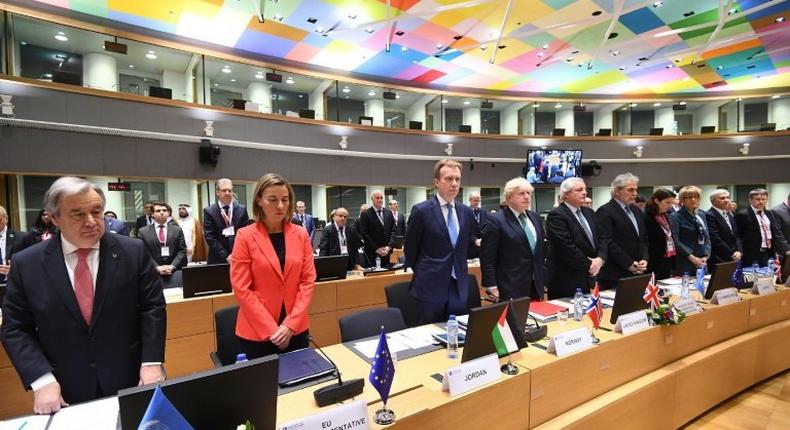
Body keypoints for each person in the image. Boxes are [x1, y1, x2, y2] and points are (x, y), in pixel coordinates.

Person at [1, 177, 166, 414]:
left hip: (132, 377)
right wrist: (41, 379)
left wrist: (152, 363)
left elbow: (152, 309)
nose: (91, 221)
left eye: (96, 211)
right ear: (54, 217)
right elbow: (15, 328)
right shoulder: (27, 264)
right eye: (78, 214)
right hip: (63, 387)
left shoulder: (133, 251)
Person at [230, 173, 315, 358]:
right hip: (257, 332)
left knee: (300, 384)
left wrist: (290, 325)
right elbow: (241, 288)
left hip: (295, 328)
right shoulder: (245, 236)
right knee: (263, 386)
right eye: (273, 199)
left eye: (285, 200)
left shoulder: (301, 234)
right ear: (259, 200)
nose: (280, 206)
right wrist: (272, 329)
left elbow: (307, 281)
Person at [404, 159, 479, 324]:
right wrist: (426, 271)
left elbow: (464, 246)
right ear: (436, 182)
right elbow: (410, 249)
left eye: (457, 179)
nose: (454, 184)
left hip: (458, 284)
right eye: (448, 179)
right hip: (429, 286)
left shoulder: (465, 212)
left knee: (457, 335)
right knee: (428, 337)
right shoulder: (421, 211)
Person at [480, 178, 545, 302]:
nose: (526, 197)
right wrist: (492, 286)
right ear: (509, 198)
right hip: (509, 285)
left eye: (528, 193)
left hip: (535, 284)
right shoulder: (496, 220)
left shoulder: (535, 218)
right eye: (521, 193)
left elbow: (539, 252)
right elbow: (487, 256)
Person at [545, 177, 607, 299]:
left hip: (589, 275)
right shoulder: (556, 215)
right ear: (566, 194)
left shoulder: (589, 213)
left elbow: (603, 237)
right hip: (566, 278)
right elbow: (566, 246)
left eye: (585, 189)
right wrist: (590, 265)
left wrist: (601, 259)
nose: (584, 192)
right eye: (579, 190)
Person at [595, 173, 648, 291]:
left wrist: (644, 258)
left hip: (638, 270)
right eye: (630, 190)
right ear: (617, 191)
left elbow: (643, 238)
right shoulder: (605, 211)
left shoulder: (636, 210)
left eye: (636, 190)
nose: (635, 194)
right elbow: (607, 241)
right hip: (615, 273)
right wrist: (629, 263)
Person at [735, 189, 790, 267]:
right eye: (757, 199)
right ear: (750, 200)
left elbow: (776, 232)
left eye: (763, 199)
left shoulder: (769, 213)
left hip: (767, 252)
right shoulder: (742, 214)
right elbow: (737, 235)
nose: (761, 202)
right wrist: (739, 250)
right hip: (751, 254)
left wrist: (785, 249)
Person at [138, 201, 187, 288]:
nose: (161, 212)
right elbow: (143, 252)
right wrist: (157, 267)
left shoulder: (177, 230)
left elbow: (182, 250)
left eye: (164, 210)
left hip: (175, 272)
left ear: (168, 213)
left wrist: (172, 266)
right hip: (153, 273)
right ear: (152, 214)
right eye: (158, 211)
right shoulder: (143, 232)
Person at [204, 178, 250, 264]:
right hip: (217, 259)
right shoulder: (209, 211)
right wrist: (226, 256)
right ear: (218, 192)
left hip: (239, 257)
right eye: (224, 190)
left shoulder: (242, 209)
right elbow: (210, 237)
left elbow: (245, 234)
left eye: (230, 190)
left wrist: (236, 253)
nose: (227, 193)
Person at [671, 186, 711, 276]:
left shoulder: (701, 214)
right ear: (682, 200)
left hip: (702, 260)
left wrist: (706, 256)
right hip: (686, 260)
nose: (693, 199)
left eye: (696, 196)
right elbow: (676, 241)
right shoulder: (675, 216)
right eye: (689, 197)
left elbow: (707, 237)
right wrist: (692, 258)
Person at [358, 191, 396, 268]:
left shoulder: (388, 212)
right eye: (377, 198)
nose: (380, 200)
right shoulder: (366, 214)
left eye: (381, 198)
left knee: (387, 276)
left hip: (387, 251)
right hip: (372, 252)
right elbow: (364, 233)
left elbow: (393, 231)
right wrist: (376, 249)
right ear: (372, 199)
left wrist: (388, 247)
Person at [705, 189, 742, 269]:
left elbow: (736, 235)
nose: (726, 200)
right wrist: (731, 253)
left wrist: (739, 251)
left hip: (734, 256)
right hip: (719, 257)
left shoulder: (728, 214)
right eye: (722, 198)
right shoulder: (709, 215)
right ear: (713, 201)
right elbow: (715, 238)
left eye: (727, 197)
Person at [645, 189, 677, 280]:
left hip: (667, 258)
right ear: (656, 201)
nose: (670, 206)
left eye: (671, 203)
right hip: (653, 261)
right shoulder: (647, 217)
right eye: (667, 202)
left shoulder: (665, 216)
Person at [318, 207, 364, 271]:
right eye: (340, 216)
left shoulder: (351, 230)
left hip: (349, 263)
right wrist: (322, 266)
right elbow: (324, 249)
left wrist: (357, 264)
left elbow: (354, 249)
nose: (343, 218)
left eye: (345, 217)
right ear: (334, 217)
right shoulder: (328, 230)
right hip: (334, 263)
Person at [1, 205, 26, 284]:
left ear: (6, 219)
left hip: (14, 285)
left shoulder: (22, 237)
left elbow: (33, 263)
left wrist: (15, 270)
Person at [468, 192, 487, 259]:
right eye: (475, 200)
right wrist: (474, 240)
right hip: (470, 246)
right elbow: (464, 230)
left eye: (478, 200)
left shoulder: (483, 212)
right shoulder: (465, 212)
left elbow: (486, 226)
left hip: (482, 246)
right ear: (470, 200)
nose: (476, 202)